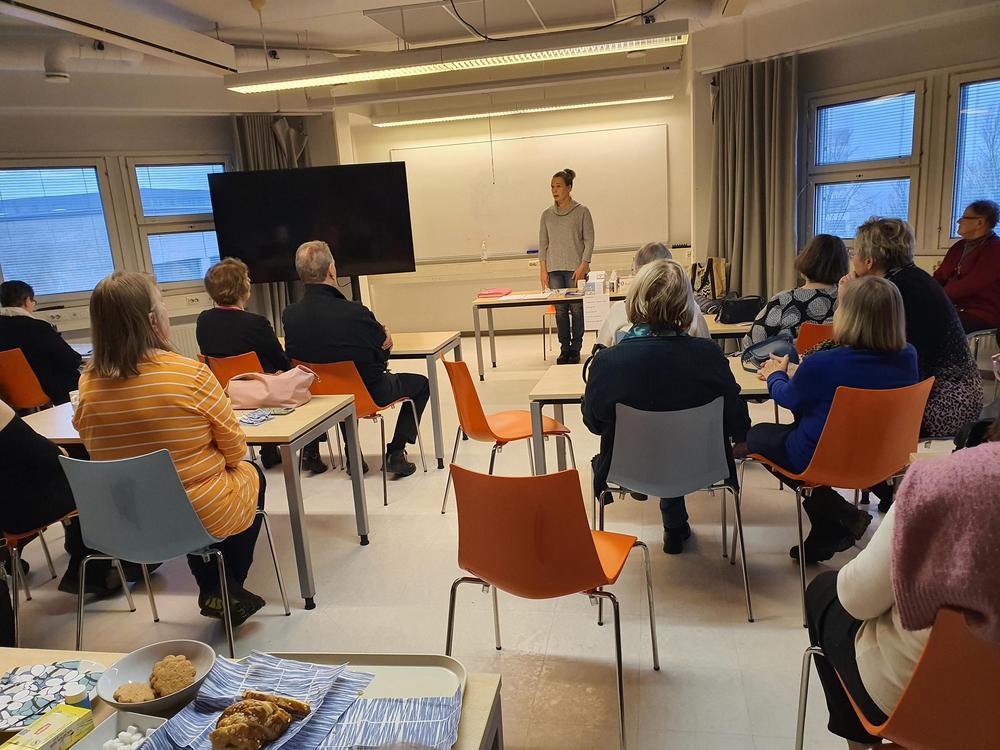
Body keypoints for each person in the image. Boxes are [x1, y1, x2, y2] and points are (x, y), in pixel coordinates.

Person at [73, 271, 267, 626]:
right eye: (162, 302)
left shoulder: (88, 384)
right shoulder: (191, 374)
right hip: (196, 516)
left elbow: (92, 445)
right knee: (250, 474)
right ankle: (223, 587)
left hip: (126, 519)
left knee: (186, 490)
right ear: (153, 320)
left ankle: (219, 587)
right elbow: (235, 450)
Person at [805, 418, 1000, 749]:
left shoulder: (947, 481)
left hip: (923, 701)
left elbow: (857, 598)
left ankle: (861, 741)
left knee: (824, 591)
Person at [583, 259, 750, 554]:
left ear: (634, 300)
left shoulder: (608, 362)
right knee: (673, 442)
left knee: (650, 441)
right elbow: (735, 417)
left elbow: (594, 423)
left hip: (629, 467)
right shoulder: (709, 356)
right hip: (701, 465)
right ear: (686, 305)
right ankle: (674, 523)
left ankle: (672, 522)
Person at [746, 276, 918, 562]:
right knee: (808, 421)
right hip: (883, 455)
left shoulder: (823, 363)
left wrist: (775, 374)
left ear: (848, 316)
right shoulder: (908, 356)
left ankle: (841, 514)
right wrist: (799, 375)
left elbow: (787, 398)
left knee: (756, 437)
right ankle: (829, 527)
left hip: (823, 456)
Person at [282, 240, 429, 478]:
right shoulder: (356, 312)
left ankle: (352, 454)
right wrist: (387, 341)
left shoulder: (290, 315)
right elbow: (380, 357)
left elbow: (293, 356)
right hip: (368, 394)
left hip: (320, 396)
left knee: (339, 381)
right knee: (421, 384)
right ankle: (396, 451)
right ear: (331, 270)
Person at [848, 217, 982, 440]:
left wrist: (849, 299)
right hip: (960, 396)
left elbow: (865, 349)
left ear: (869, 261)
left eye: (854, 252)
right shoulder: (913, 278)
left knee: (839, 408)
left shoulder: (895, 291)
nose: (853, 258)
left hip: (942, 403)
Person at [196, 257, 289, 468]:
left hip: (226, 390)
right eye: (247, 278)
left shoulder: (203, 321)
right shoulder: (256, 323)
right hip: (259, 391)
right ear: (242, 288)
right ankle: (291, 447)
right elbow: (279, 359)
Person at [741, 234, 848, 350]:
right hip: (837, 361)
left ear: (807, 260)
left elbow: (752, 344)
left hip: (790, 361)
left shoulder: (783, 300)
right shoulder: (849, 301)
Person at [597, 242, 710, 347]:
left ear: (637, 272)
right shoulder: (690, 308)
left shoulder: (618, 310)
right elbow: (706, 349)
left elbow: (600, 350)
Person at [539, 168, 595, 364]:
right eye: (552, 187)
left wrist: (583, 265)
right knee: (561, 310)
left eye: (559, 186)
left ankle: (576, 348)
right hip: (554, 269)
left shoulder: (581, 211)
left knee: (577, 309)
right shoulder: (546, 215)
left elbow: (589, 240)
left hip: (575, 269)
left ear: (569, 188)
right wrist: (543, 270)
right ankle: (564, 349)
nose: (555, 190)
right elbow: (543, 244)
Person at [0, 280, 81, 406]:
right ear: (27, 300)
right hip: (49, 391)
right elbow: (71, 360)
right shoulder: (38, 327)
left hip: (8, 395)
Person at [933, 199, 1000, 333]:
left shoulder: (996, 248)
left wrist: (936, 296)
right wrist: (927, 290)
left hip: (981, 313)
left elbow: (972, 284)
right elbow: (940, 276)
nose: (959, 221)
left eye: (964, 217)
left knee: (932, 323)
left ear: (979, 222)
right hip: (953, 307)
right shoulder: (958, 246)